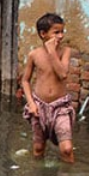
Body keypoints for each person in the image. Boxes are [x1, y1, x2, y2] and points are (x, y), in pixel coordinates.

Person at [21, 12, 74, 163]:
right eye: (56, 32)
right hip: (39, 106)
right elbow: (25, 81)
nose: (61, 36)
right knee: (38, 147)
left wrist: (51, 51)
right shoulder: (34, 55)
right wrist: (31, 104)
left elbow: (62, 74)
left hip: (60, 106)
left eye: (62, 31)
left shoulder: (65, 52)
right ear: (43, 34)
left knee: (67, 149)